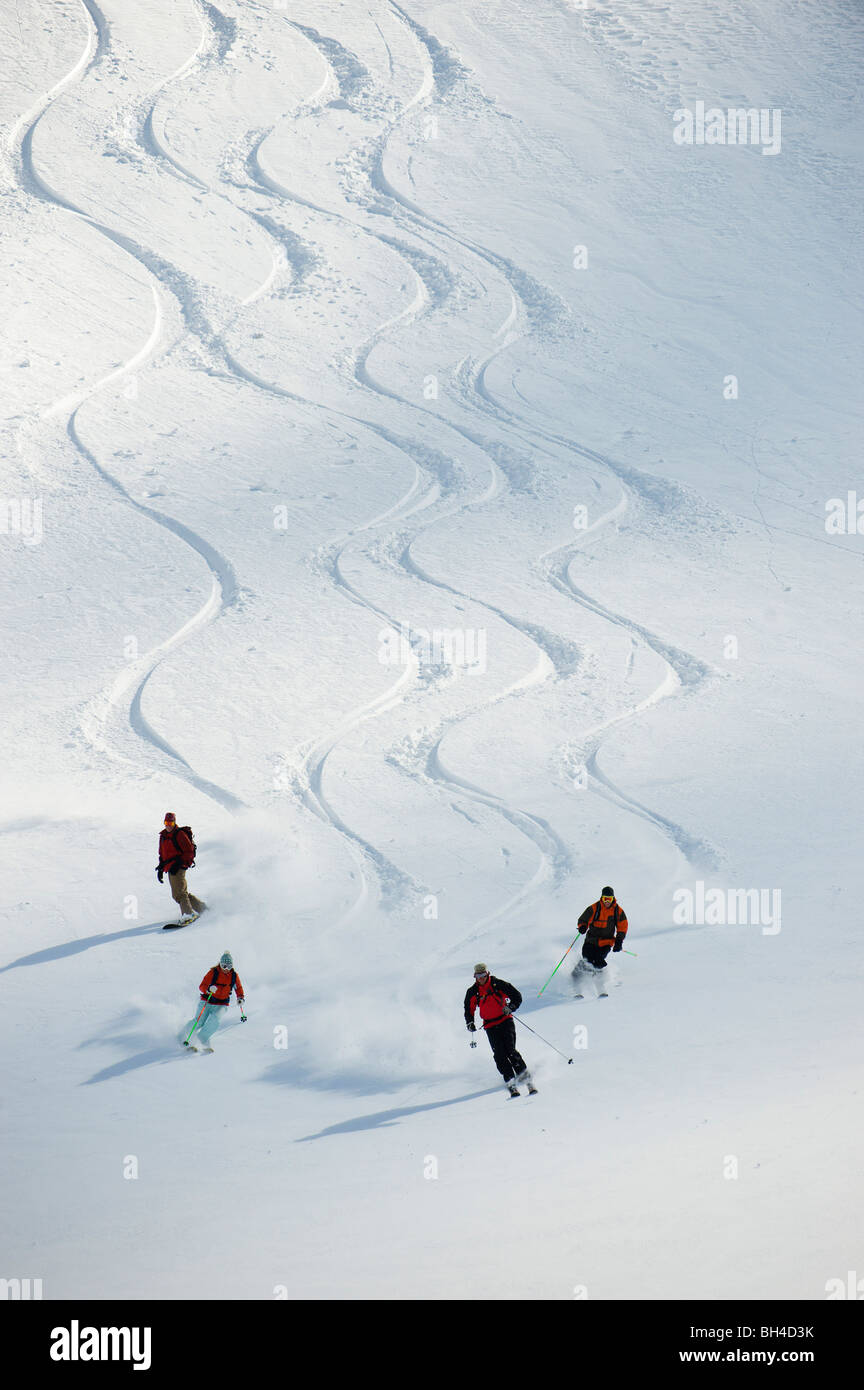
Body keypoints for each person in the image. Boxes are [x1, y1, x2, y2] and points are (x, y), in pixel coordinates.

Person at [464, 963, 536, 1097]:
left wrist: (511, 1007)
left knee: (510, 1050)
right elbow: (468, 1008)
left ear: (487, 974)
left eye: (483, 975)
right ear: (475, 976)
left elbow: (517, 996)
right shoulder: (473, 992)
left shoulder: (498, 984)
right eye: (478, 976)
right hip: (490, 1026)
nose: (481, 978)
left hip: (505, 1021)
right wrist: (470, 1022)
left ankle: (526, 1078)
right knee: (499, 1054)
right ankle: (509, 1080)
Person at [183, 952, 245, 1052]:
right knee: (199, 1021)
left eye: (229, 966)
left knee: (215, 1020)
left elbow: (238, 988)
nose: (226, 968)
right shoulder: (213, 972)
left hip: (221, 1004)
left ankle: (202, 1038)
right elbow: (201, 986)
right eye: (224, 965)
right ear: (220, 964)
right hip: (207, 1001)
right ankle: (184, 1035)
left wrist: (240, 997)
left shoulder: (234, 976)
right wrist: (208, 989)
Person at [157, 812, 206, 924]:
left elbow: (188, 852)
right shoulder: (163, 836)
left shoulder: (179, 834)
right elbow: (162, 853)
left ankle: (188, 914)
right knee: (180, 893)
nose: (168, 825)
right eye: (166, 822)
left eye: (170, 822)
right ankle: (202, 908)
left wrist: (178, 863)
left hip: (179, 867)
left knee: (179, 893)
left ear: (174, 822)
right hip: (170, 867)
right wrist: (160, 868)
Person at [573, 886, 628, 983]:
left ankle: (599, 978)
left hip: (606, 942)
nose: (607, 901)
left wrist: (618, 942)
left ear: (613, 898)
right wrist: (583, 926)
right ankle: (576, 975)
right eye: (605, 898)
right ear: (601, 898)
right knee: (587, 958)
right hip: (591, 940)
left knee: (598, 961)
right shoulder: (594, 908)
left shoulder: (617, 911)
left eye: (609, 899)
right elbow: (583, 919)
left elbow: (622, 927)